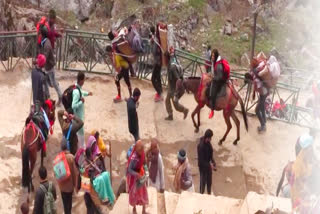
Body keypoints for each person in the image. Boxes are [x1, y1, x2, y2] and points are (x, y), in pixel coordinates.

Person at [39, 25, 63, 105]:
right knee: (45, 81)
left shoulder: (46, 45)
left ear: (42, 35)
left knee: (53, 83)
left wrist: (39, 63)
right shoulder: (46, 42)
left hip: (49, 67)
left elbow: (44, 57)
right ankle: (47, 97)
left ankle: (60, 96)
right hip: (47, 66)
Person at [165, 48, 189, 121]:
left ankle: (185, 110)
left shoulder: (172, 67)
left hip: (174, 88)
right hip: (171, 86)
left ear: (166, 58)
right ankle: (170, 115)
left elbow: (178, 80)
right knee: (167, 100)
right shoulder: (170, 61)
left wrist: (176, 93)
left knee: (176, 105)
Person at [57, 138, 79, 214]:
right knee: (69, 205)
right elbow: (75, 173)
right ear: (67, 146)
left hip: (61, 186)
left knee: (65, 204)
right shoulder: (71, 157)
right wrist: (76, 186)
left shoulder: (58, 157)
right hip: (69, 187)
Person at [127, 140, 149, 214]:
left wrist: (146, 170)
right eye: (140, 150)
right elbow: (129, 169)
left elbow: (144, 162)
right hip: (133, 177)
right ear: (136, 149)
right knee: (134, 193)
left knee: (143, 192)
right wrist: (136, 174)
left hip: (140, 174)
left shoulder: (142, 153)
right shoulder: (134, 158)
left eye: (142, 150)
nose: (141, 152)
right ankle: (134, 209)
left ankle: (143, 210)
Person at [72, 71, 93, 148]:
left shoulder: (76, 87)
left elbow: (81, 92)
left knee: (77, 135)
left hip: (77, 118)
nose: (84, 81)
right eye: (84, 80)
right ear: (81, 80)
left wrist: (87, 94)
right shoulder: (76, 92)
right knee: (82, 140)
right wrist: (81, 102)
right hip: (78, 119)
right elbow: (73, 105)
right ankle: (82, 151)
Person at [208, 49, 229, 118]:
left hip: (220, 81)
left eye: (213, 56)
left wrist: (213, 78)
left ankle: (212, 109)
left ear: (216, 56)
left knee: (212, 93)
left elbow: (219, 77)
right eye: (212, 55)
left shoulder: (218, 65)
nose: (212, 57)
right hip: (217, 77)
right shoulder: (215, 62)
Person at [251, 58, 270, 132]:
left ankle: (263, 126)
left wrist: (255, 92)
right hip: (266, 92)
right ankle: (264, 121)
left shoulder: (256, 73)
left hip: (263, 93)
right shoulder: (258, 69)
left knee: (257, 110)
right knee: (262, 107)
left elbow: (258, 86)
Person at [197, 129, 216, 195]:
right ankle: (201, 196)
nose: (211, 139)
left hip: (208, 167)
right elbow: (201, 161)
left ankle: (209, 194)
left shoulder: (209, 144)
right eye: (210, 138)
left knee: (209, 183)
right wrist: (210, 165)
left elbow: (211, 155)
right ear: (207, 138)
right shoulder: (200, 147)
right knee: (202, 184)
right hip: (202, 168)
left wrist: (213, 163)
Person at [150, 26, 163, 102]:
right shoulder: (160, 38)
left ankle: (160, 93)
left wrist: (152, 43)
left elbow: (154, 52)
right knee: (158, 77)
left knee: (153, 79)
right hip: (160, 61)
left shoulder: (156, 39)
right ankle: (160, 92)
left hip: (157, 62)